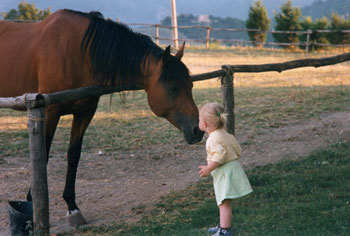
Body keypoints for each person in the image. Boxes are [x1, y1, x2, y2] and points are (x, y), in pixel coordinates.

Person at [198, 102, 253, 236]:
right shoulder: (225, 134)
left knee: (223, 203)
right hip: (232, 169)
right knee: (224, 202)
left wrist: (208, 169)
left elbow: (220, 155)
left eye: (199, 119)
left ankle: (224, 231)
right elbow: (238, 150)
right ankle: (223, 225)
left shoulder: (213, 138)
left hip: (225, 173)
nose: (198, 121)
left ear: (205, 124)